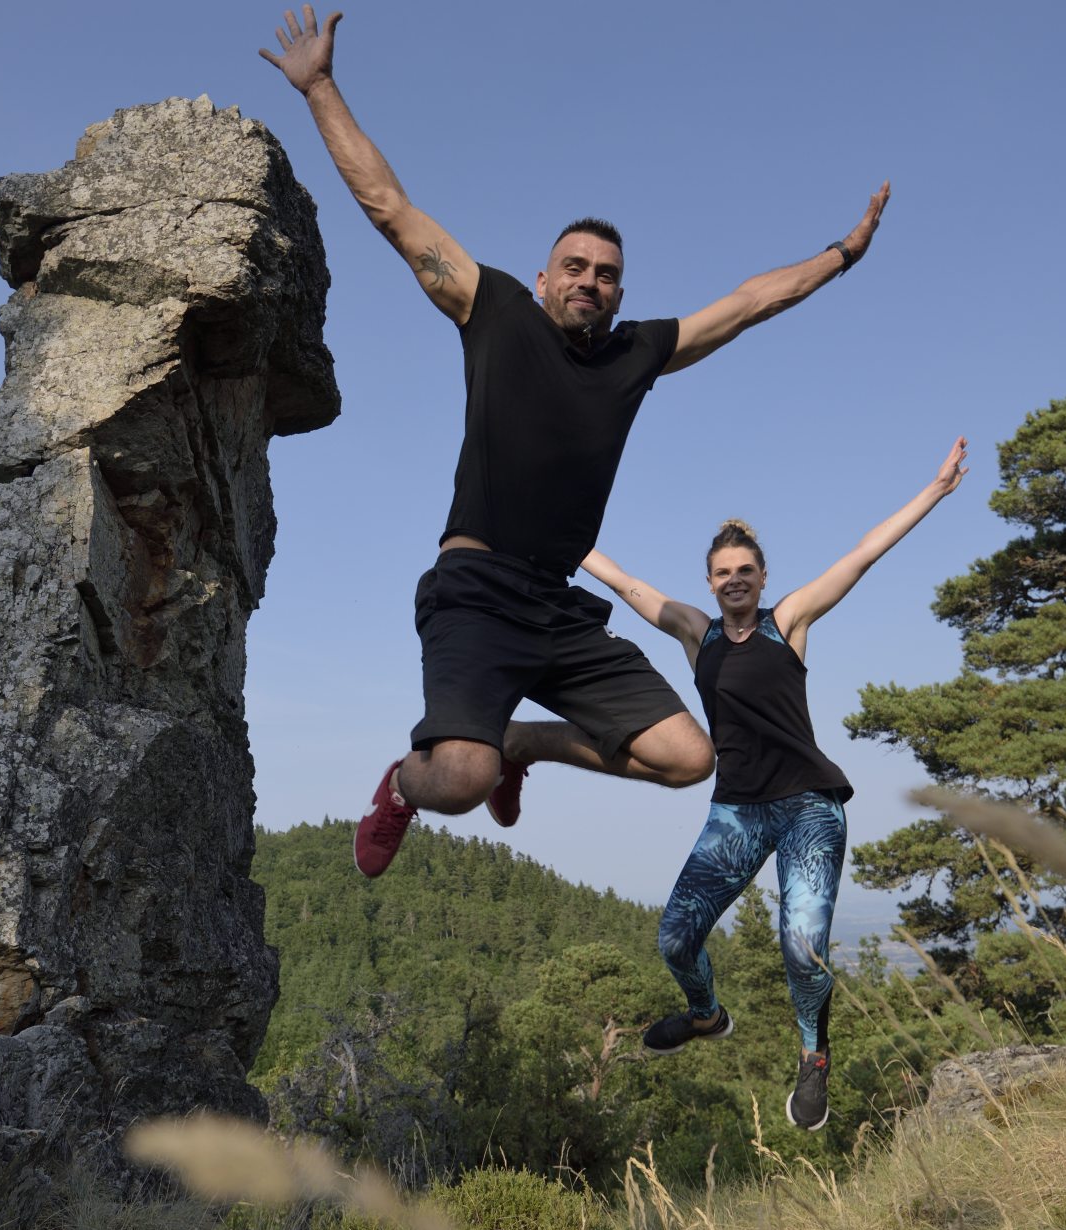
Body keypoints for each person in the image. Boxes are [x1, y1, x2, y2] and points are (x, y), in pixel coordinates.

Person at [260, 7, 892, 877]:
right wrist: (321, 86)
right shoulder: (494, 311)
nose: (590, 280)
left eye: (606, 273)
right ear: (546, 273)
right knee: (457, 776)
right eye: (576, 266)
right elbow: (390, 208)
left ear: (619, 291)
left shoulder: (638, 353)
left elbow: (749, 302)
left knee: (688, 757)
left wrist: (842, 255)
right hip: (476, 591)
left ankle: (525, 743)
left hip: (557, 607)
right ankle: (402, 786)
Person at [581, 437, 968, 1130]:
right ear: (708, 582)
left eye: (745, 570)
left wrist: (934, 492)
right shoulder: (694, 634)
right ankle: (706, 1016)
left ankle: (813, 1054)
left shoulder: (786, 622)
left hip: (808, 810)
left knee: (802, 946)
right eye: (723, 571)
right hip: (738, 811)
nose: (734, 579)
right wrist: (566, 539)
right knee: (674, 938)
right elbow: (624, 582)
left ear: (762, 577)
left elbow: (861, 554)